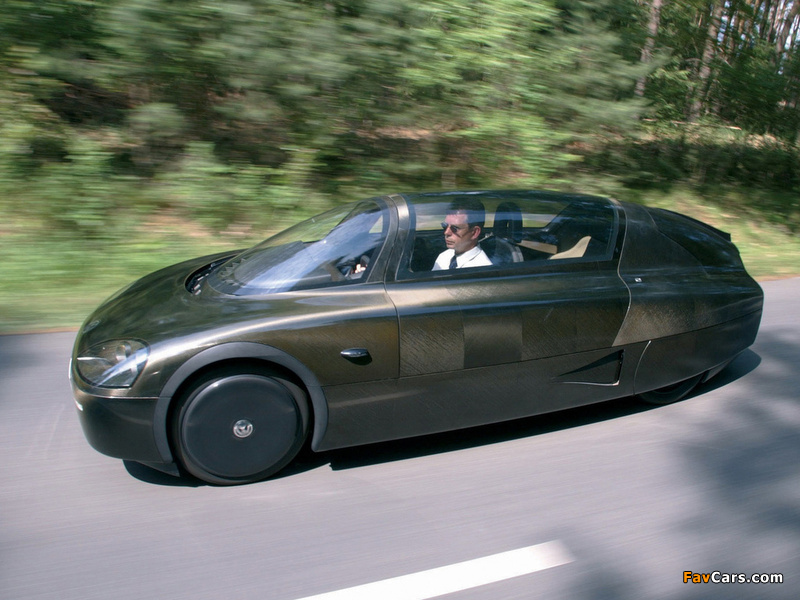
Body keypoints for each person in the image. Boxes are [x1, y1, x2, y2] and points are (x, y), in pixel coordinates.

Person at [432, 198, 492, 270]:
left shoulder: (482, 269)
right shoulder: (444, 256)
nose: (446, 232)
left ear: (474, 232)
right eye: (445, 225)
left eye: (455, 228)